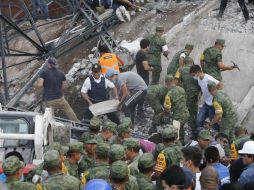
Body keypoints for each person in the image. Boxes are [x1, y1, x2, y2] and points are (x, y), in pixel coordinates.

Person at [37, 57, 78, 121]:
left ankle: (52, 126)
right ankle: (77, 123)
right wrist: (59, 89)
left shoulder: (44, 72)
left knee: (50, 116)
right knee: (69, 110)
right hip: (60, 98)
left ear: (49, 64)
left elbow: (39, 85)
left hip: (49, 100)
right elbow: (65, 85)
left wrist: (39, 78)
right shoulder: (61, 73)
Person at [190, 65, 223, 131]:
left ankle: (217, 136)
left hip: (212, 105)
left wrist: (216, 96)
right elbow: (203, 88)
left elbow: (221, 85)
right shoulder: (198, 78)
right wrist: (200, 94)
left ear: (198, 72)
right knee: (199, 120)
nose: (193, 77)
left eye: (194, 75)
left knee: (213, 123)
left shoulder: (208, 78)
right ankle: (199, 135)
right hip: (206, 103)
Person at [175, 57, 200, 133]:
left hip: (187, 94)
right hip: (196, 94)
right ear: (192, 62)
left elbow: (176, 82)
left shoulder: (180, 70)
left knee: (189, 112)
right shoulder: (196, 69)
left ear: (184, 63)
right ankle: (197, 127)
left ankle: (192, 129)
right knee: (195, 110)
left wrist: (183, 85)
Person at [163, 74, 190, 141]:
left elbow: (167, 109)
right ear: (173, 81)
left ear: (166, 83)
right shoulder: (181, 89)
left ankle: (178, 146)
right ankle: (183, 142)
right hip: (186, 114)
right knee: (181, 129)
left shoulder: (168, 95)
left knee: (175, 135)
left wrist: (165, 113)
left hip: (178, 117)